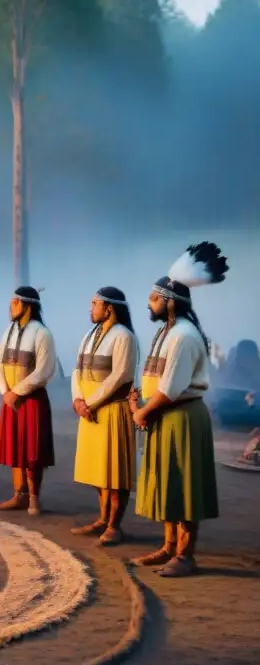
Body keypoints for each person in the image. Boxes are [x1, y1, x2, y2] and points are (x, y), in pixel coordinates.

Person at [130, 242, 228, 577]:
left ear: (170, 302)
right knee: (169, 483)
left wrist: (143, 412)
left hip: (181, 417)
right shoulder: (167, 332)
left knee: (185, 484)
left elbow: (171, 388)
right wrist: (142, 402)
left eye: (154, 297)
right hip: (164, 415)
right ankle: (169, 547)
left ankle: (185, 555)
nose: (149, 302)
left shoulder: (183, 335)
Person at [69, 287, 138, 544]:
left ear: (109, 308)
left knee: (114, 471)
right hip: (89, 411)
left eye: (94, 303)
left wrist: (91, 402)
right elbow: (77, 371)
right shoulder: (89, 335)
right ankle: (102, 519)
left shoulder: (124, 336)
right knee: (98, 470)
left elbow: (120, 377)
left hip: (111, 411)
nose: (91, 308)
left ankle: (114, 525)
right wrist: (78, 400)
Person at [0, 286, 56, 515]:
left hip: (30, 399)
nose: (11, 306)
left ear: (28, 305)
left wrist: (17, 391)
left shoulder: (41, 333)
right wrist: (5, 392)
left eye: (16, 302)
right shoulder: (8, 330)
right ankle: (18, 494)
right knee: (15, 447)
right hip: (10, 399)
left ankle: (34, 497)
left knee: (32, 450)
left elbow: (44, 370)